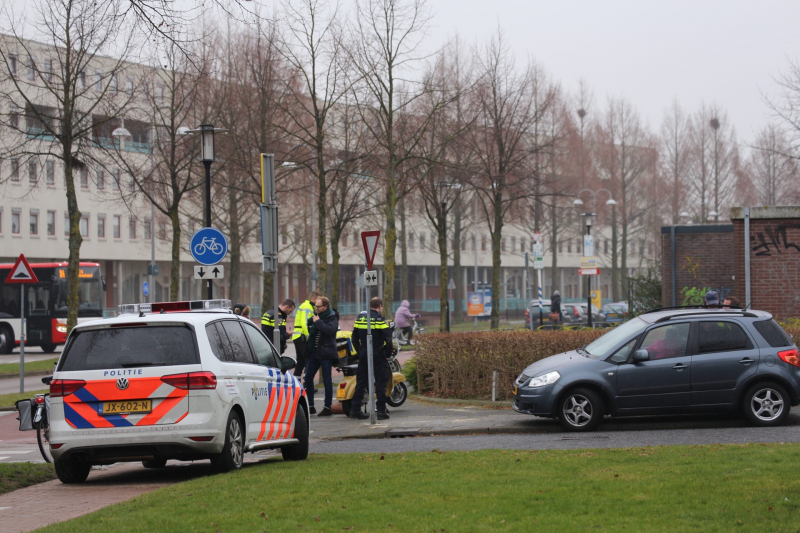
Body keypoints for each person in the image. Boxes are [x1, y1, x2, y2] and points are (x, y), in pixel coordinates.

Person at [350, 297, 392, 420]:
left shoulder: (360, 319)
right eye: (382, 307)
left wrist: (360, 350)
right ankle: (380, 411)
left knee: (361, 382)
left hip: (364, 353)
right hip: (378, 354)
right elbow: (388, 340)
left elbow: (354, 338)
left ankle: (355, 410)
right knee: (380, 382)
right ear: (379, 306)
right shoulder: (380, 320)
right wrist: (387, 354)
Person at [303, 296, 338, 416]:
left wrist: (318, 322)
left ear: (325, 307)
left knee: (327, 380)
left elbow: (329, 330)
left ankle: (327, 407)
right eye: (315, 306)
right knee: (308, 377)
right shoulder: (315, 318)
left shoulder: (332, 317)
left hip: (326, 352)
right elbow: (311, 329)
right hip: (315, 352)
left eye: (318, 306)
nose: (316, 308)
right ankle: (311, 405)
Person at [291, 291, 320, 378]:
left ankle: (297, 385)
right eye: (318, 300)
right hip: (302, 336)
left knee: (301, 362)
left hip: (298, 336)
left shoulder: (307, 305)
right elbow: (305, 323)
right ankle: (307, 385)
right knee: (308, 360)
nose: (318, 303)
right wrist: (309, 336)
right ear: (314, 299)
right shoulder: (307, 307)